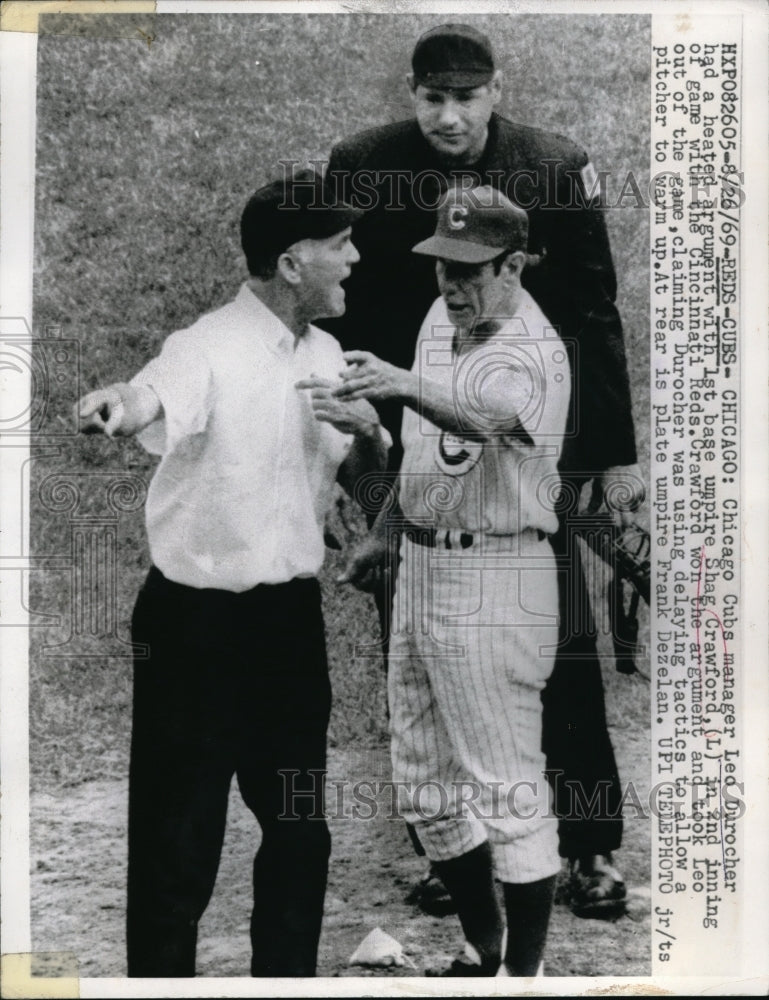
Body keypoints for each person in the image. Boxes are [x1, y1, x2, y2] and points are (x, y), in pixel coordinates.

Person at [320, 21, 644, 913]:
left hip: (524, 443)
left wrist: (609, 465)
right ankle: (452, 845)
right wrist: (352, 457)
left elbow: (594, 309)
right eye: (433, 98)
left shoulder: (552, 164)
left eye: (465, 98)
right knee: (422, 644)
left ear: (495, 91)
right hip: (410, 440)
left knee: (562, 639)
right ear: (412, 94)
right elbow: (346, 314)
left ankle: (586, 846)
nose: (448, 116)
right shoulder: (362, 164)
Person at [75, 173, 389, 977]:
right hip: (194, 630)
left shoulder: (325, 356)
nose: (355, 258)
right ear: (292, 263)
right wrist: (119, 401)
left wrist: (370, 441)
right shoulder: (205, 346)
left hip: (287, 625)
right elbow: (150, 394)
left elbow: (361, 485)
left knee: (298, 827)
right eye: (340, 243)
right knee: (179, 844)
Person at [336, 185, 570, 976]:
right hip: (426, 569)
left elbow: (485, 421)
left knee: (506, 787)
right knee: (424, 784)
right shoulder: (442, 321)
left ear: (513, 265)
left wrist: (402, 383)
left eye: (471, 271)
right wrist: (382, 533)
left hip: (499, 576)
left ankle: (522, 980)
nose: (452, 285)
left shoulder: (533, 348)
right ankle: (483, 945)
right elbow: (423, 452)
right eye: (443, 266)